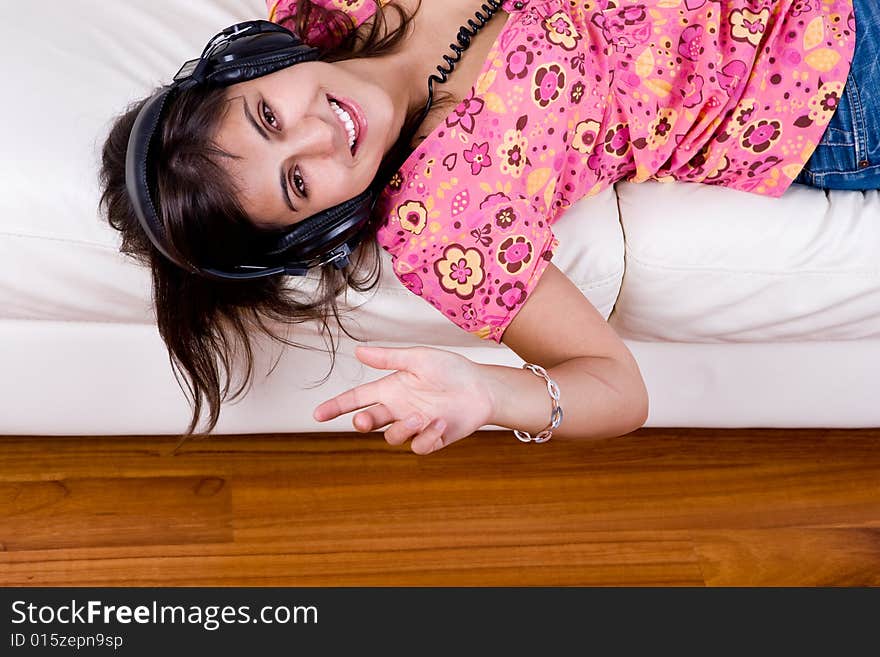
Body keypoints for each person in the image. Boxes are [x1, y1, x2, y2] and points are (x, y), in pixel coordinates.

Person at [99, 0, 874, 455]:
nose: (318, 133)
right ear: (315, 226)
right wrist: (489, 393)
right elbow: (617, 387)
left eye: (268, 115)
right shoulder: (445, 222)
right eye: (298, 183)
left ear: (250, 71)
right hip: (835, 70)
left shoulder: (327, 11)